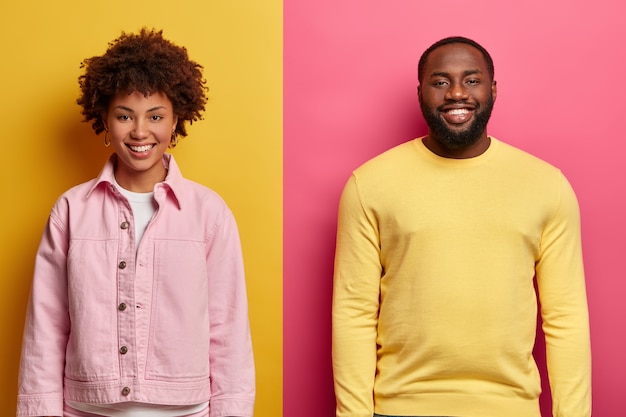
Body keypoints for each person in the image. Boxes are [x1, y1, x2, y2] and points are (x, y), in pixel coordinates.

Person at [332, 36, 591, 417]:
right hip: (401, 407)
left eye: (472, 80)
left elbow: (565, 315)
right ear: (421, 92)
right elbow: (353, 311)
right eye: (440, 82)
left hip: (512, 408)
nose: (456, 93)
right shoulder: (369, 184)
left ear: (493, 89)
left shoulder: (547, 186)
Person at [17, 29, 255, 417]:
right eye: (124, 115)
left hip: (187, 410)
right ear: (105, 122)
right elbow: (45, 329)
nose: (140, 131)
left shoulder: (209, 213)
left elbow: (228, 333)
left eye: (156, 116)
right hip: (86, 409)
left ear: (176, 120)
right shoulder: (71, 211)